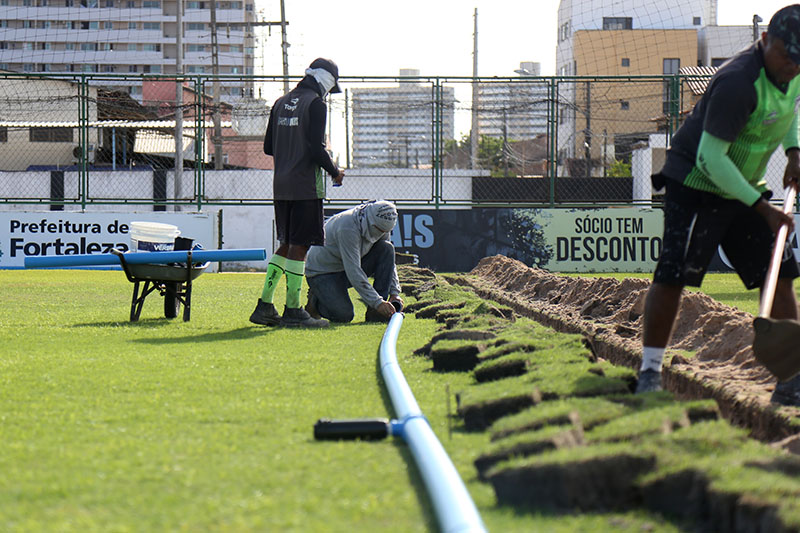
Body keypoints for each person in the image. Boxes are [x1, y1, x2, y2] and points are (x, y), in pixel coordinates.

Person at [638, 4, 800, 405]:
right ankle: (650, 371)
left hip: (744, 184)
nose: (792, 66)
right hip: (695, 183)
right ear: (765, 40)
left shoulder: (793, 72)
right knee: (673, 275)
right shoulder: (737, 83)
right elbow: (711, 158)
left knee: (778, 275)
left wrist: (794, 152)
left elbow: (787, 110)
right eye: (786, 56)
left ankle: (792, 378)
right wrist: (763, 208)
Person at [250, 57, 346, 328]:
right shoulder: (316, 104)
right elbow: (316, 149)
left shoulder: (280, 103)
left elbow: (269, 147)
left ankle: (265, 305)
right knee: (300, 245)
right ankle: (293, 309)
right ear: (326, 81)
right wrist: (335, 171)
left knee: (286, 243)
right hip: (306, 186)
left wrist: (289, 146)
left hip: (281, 186)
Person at [304, 200, 404, 323]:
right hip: (323, 272)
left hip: (346, 267)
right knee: (344, 315)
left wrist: (394, 293)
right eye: (378, 230)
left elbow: (388, 261)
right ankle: (315, 302)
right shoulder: (348, 228)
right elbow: (353, 271)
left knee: (387, 248)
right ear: (371, 221)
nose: (380, 234)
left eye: (384, 232)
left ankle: (376, 313)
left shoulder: (381, 223)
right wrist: (377, 302)